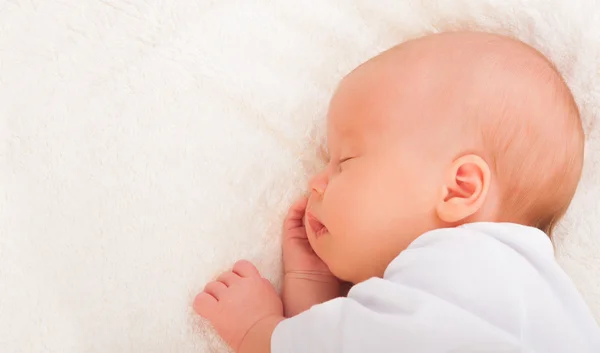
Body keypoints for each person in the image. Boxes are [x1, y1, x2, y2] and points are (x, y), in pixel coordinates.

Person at [193, 31, 600, 353]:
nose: (316, 182)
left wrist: (258, 333)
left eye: (346, 162)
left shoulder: (463, 265)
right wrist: (312, 284)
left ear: (459, 189)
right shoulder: (541, 302)